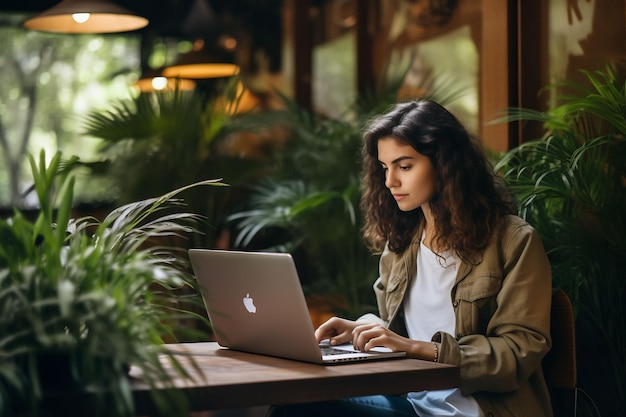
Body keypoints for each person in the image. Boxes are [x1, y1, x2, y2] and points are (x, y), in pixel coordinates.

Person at [267, 99, 553, 417]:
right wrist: (362, 329)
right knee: (295, 398)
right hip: (411, 401)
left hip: (472, 410)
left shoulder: (514, 240)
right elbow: (400, 333)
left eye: (404, 166)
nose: (390, 181)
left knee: (302, 406)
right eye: (384, 168)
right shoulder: (400, 246)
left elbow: (517, 353)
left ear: (445, 164)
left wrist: (416, 348)